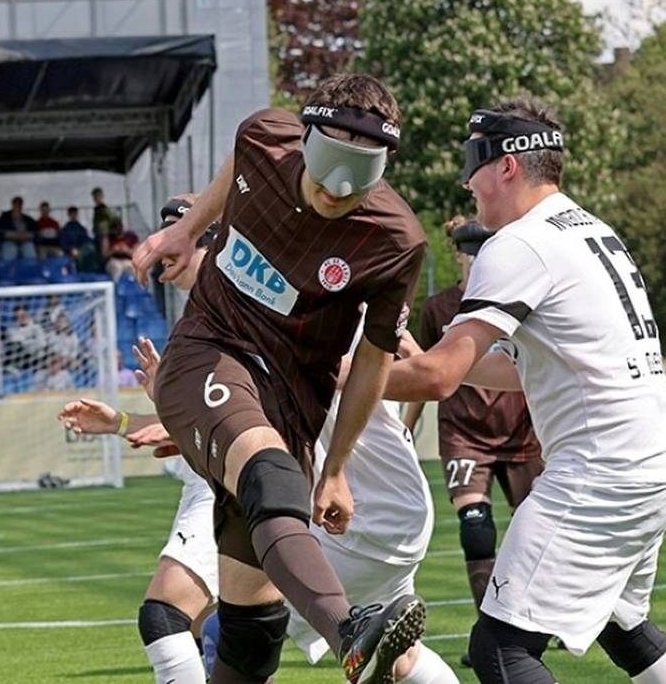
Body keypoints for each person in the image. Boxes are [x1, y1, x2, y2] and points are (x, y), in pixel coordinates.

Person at [382, 99, 666, 684]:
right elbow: (518, 368)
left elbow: (439, 380)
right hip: (654, 468)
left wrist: (330, 372)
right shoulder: (592, 229)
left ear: (506, 165)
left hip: (599, 475)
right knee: (624, 627)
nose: (466, 180)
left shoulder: (518, 243)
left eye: (474, 162)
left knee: (501, 647)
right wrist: (419, 357)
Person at [130, 74, 428, 683]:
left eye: (359, 174)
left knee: (252, 637)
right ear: (307, 136)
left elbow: (374, 360)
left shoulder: (397, 241)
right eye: (329, 165)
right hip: (208, 349)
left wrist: (338, 467)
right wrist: (186, 229)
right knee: (272, 477)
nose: (337, 188)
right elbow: (239, 158)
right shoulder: (265, 136)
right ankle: (350, 629)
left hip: (294, 396)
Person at [61, 233, 454, 684]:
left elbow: (425, 372)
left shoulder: (286, 298)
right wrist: (136, 421)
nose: (165, 250)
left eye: (183, 230)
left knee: (220, 626)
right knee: (398, 656)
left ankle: (349, 635)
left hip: (355, 510)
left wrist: (328, 375)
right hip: (381, 511)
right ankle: (353, 635)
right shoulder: (228, 319)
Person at [403, 215, 541, 665]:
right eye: (471, 254)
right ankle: (490, 626)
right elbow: (424, 367)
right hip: (465, 434)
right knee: (476, 528)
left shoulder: (523, 301)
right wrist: (409, 421)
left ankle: (531, 621)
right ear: (459, 257)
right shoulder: (438, 309)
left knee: (535, 528)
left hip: (522, 432)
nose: (479, 262)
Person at [0, 196, 39, 262]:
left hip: (25, 242)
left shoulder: (28, 219)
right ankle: (8, 271)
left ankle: (31, 270)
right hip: (9, 242)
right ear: (12, 205)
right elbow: (1, 232)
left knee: (29, 248)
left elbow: (34, 233)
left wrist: (21, 235)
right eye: (16, 204)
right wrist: (17, 235)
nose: (18, 206)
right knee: (11, 249)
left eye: (19, 204)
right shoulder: (4, 217)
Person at [5, 308, 47, 372]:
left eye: (23, 315)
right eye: (18, 317)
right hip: (23, 357)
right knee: (15, 345)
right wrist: (33, 339)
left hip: (37, 356)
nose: (22, 318)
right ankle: (15, 369)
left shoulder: (37, 326)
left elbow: (43, 343)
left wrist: (26, 340)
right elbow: (16, 341)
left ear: (28, 314)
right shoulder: (11, 329)